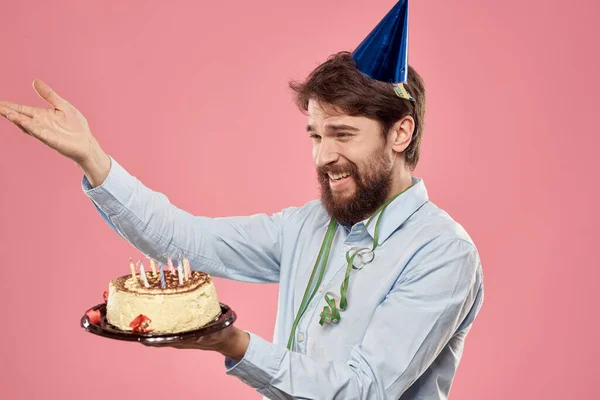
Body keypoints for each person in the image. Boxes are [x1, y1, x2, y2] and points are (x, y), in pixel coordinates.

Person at [0, 1, 484, 399]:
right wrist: (92, 158)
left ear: (401, 132)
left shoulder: (441, 253)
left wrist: (236, 344)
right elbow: (184, 238)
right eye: (316, 135)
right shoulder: (308, 225)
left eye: (342, 134)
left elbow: (364, 390)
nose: (323, 156)